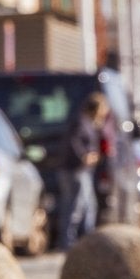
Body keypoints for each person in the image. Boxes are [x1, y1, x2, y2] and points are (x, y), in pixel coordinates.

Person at [50, 93, 105, 250]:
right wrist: (84, 156)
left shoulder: (87, 122)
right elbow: (73, 142)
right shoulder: (81, 122)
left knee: (86, 206)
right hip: (75, 171)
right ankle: (69, 242)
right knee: (75, 207)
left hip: (79, 171)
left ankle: (85, 241)